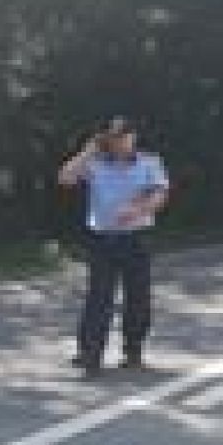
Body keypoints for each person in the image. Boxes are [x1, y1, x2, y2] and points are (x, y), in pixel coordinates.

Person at [58, 117, 170, 375]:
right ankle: (90, 356)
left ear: (133, 137)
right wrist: (87, 152)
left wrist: (138, 209)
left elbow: (160, 194)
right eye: (113, 138)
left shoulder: (149, 162)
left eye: (123, 137)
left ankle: (133, 352)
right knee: (99, 298)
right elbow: (65, 178)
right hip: (103, 239)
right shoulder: (94, 164)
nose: (119, 143)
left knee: (138, 298)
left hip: (136, 237)